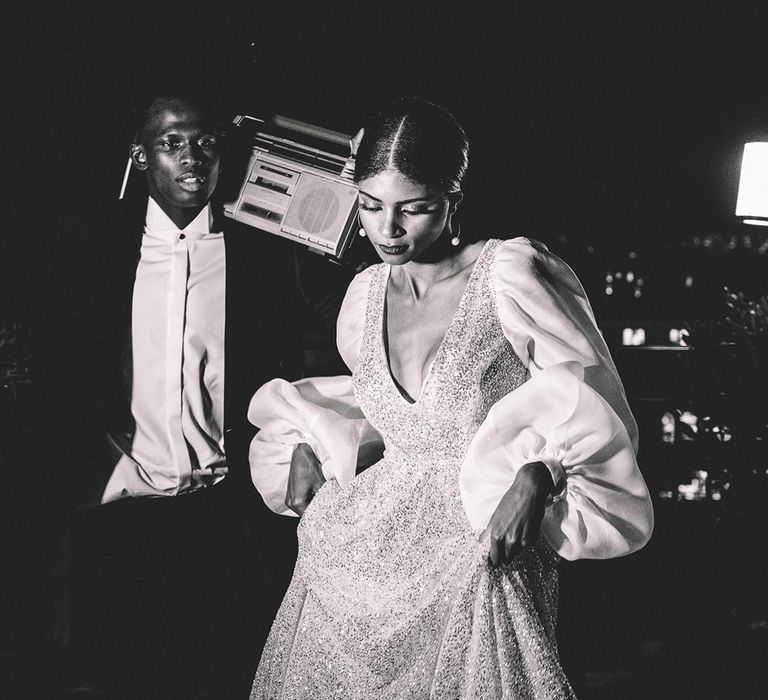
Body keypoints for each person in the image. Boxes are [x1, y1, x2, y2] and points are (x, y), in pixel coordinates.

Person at [246, 96, 654, 699]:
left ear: (453, 200)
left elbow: (593, 399)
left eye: (413, 209)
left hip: (479, 541)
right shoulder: (362, 295)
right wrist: (313, 442)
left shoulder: (510, 275)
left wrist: (541, 473)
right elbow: (398, 418)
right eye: (369, 205)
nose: (387, 230)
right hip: (361, 552)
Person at [43, 79, 350, 699]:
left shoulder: (263, 251)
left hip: (226, 514)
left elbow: (341, 335)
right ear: (141, 155)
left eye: (204, 141)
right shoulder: (90, 241)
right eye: (171, 142)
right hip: (121, 510)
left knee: (225, 678)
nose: (191, 156)